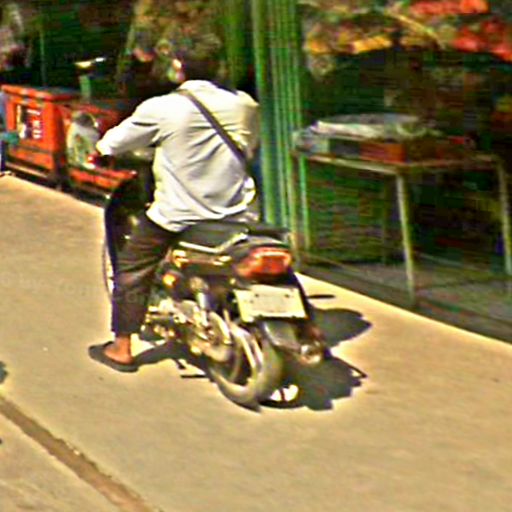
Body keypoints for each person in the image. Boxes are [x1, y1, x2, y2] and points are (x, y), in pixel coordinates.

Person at [88, 42, 260, 372]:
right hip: (237, 211)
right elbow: (249, 145)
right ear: (219, 70)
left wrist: (100, 151)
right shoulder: (244, 105)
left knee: (133, 267)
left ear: (178, 69)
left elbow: (115, 142)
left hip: (178, 215)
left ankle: (121, 348)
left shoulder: (163, 108)